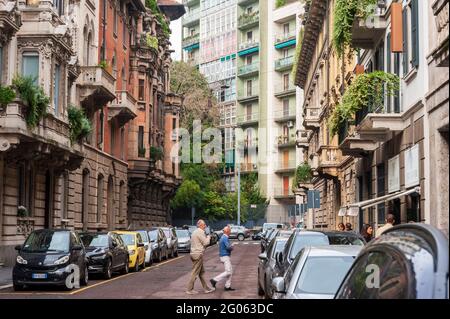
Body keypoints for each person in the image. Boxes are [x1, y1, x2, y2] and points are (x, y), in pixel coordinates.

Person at [186, 219, 215, 295]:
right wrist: (208, 237)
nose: (205, 226)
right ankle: (189, 289)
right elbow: (206, 243)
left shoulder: (194, 232)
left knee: (201, 273)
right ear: (200, 225)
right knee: (194, 273)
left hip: (193, 254)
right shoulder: (200, 232)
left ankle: (206, 288)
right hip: (198, 254)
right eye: (204, 225)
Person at [210, 226, 235, 291]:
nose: (230, 232)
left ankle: (227, 286)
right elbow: (228, 247)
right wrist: (232, 246)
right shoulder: (225, 238)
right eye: (229, 230)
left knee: (230, 271)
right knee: (228, 272)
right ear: (226, 231)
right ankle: (214, 280)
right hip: (225, 256)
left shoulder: (223, 237)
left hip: (223, 256)